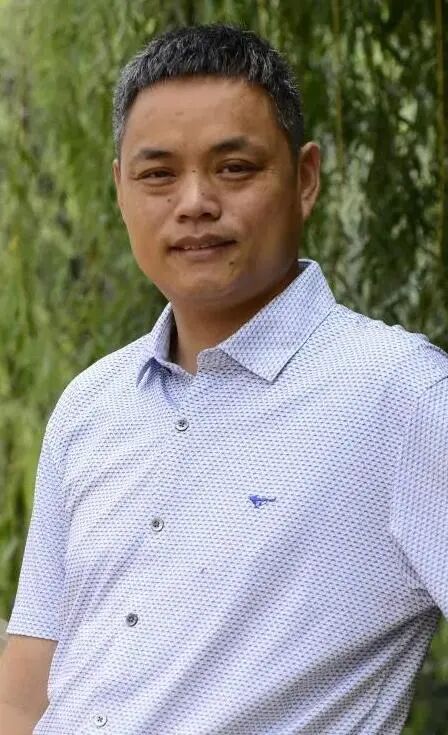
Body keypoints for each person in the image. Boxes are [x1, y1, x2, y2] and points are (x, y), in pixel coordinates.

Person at [0, 21, 447, 735]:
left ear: (305, 179)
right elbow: (25, 694)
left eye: (235, 168)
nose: (195, 203)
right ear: (119, 189)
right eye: (157, 174)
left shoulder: (402, 397)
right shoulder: (90, 405)